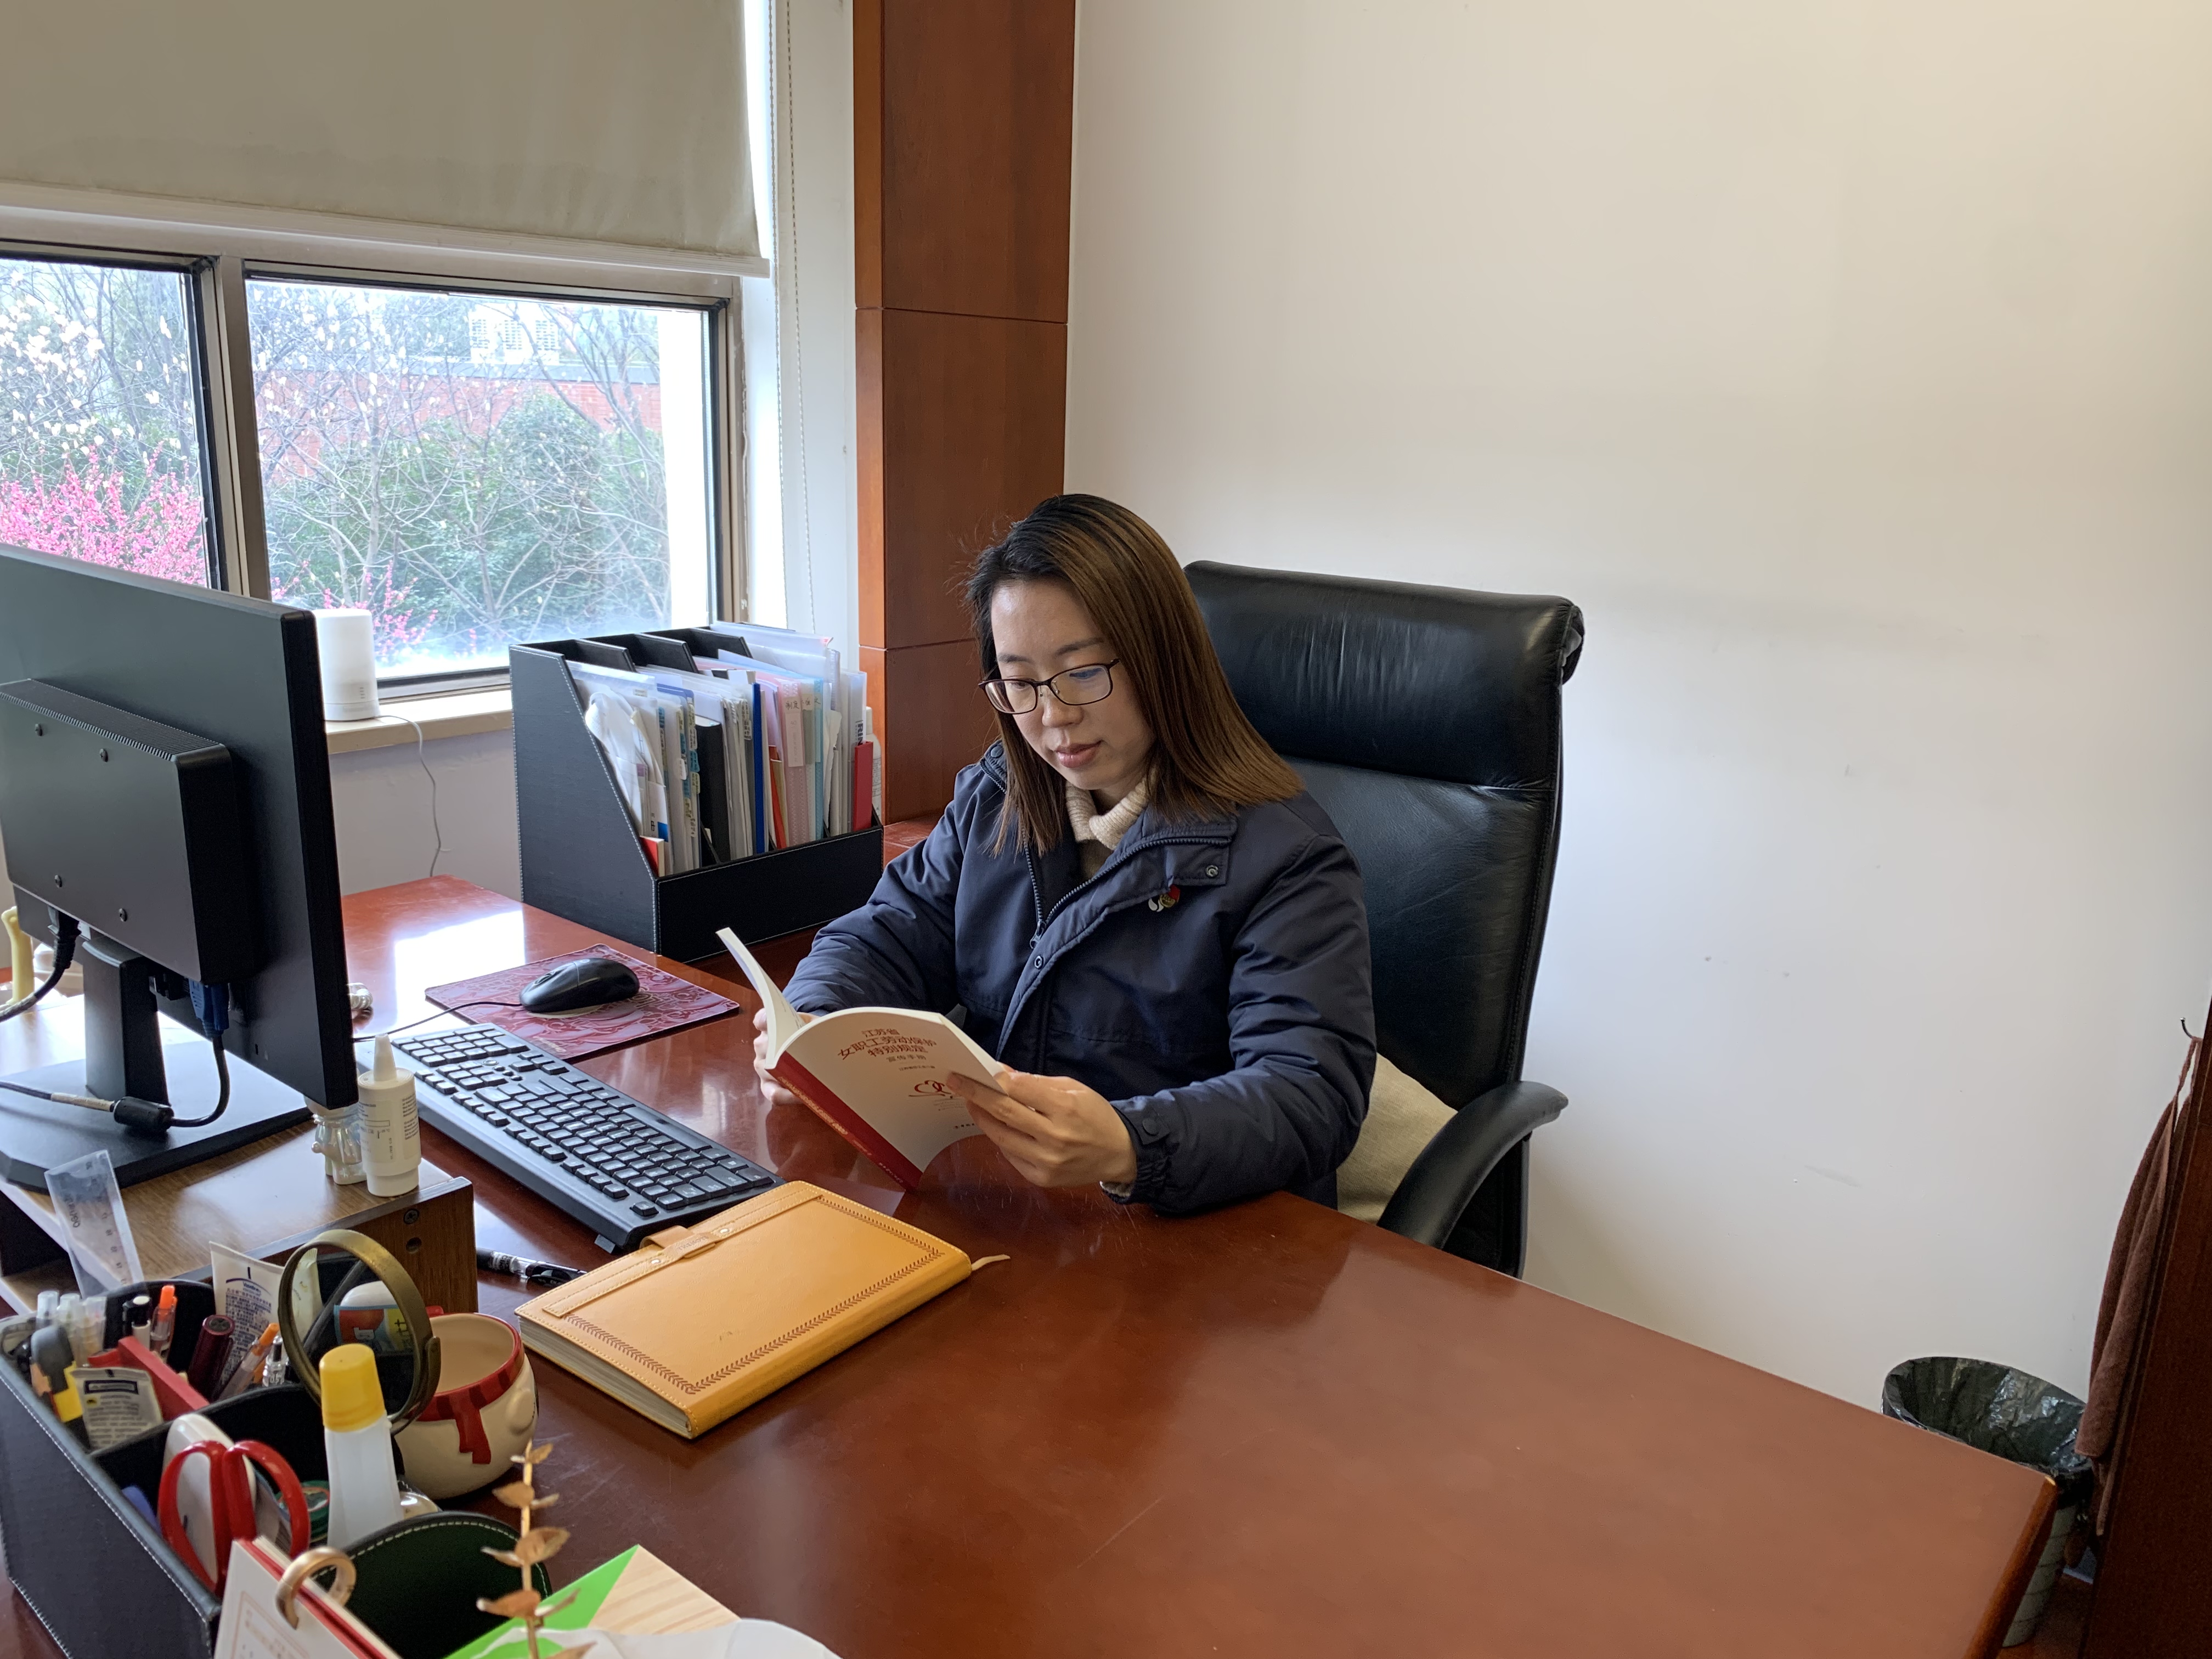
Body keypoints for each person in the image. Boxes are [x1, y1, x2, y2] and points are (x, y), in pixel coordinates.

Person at [755, 495, 1375, 1212]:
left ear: (1162, 659)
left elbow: (1309, 1095)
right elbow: (886, 934)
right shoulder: (1000, 794)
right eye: (1020, 683)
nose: (1053, 717)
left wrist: (1131, 1143)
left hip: (1183, 1228)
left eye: (1082, 672)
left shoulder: (1289, 858)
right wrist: (814, 1022)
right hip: (1009, 1198)